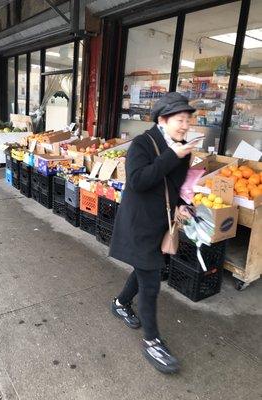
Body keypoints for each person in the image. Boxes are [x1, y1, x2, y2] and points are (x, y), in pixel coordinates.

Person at [109, 92, 197, 374]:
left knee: (147, 268)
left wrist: (182, 206)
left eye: (188, 120)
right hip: (138, 223)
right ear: (163, 119)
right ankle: (152, 341)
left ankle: (121, 303)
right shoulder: (143, 143)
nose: (185, 125)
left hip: (160, 222)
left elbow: (174, 186)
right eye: (180, 119)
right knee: (151, 282)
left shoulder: (183, 147)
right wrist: (172, 155)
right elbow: (137, 181)